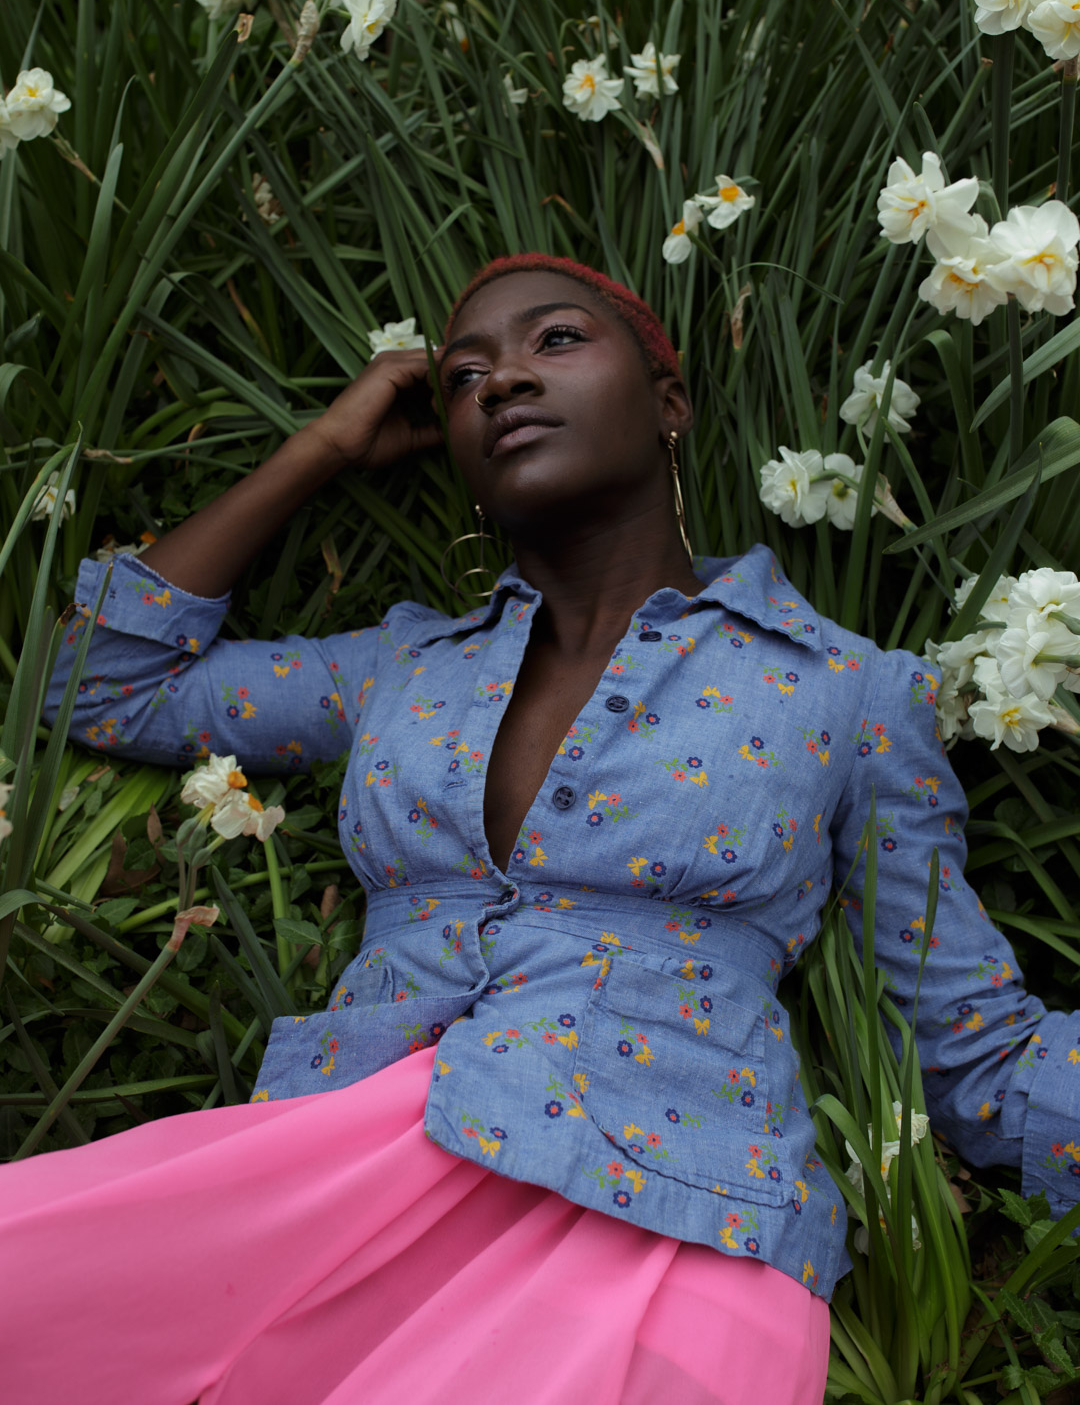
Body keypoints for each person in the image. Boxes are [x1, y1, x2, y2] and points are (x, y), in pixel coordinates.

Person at [4, 254, 1078, 1405]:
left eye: (556, 342)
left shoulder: (848, 691)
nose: (504, 381)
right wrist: (324, 448)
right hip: (346, 1177)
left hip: (680, 1220)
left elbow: (978, 1046)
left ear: (670, 404)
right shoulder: (400, 667)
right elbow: (98, 682)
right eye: (465, 377)